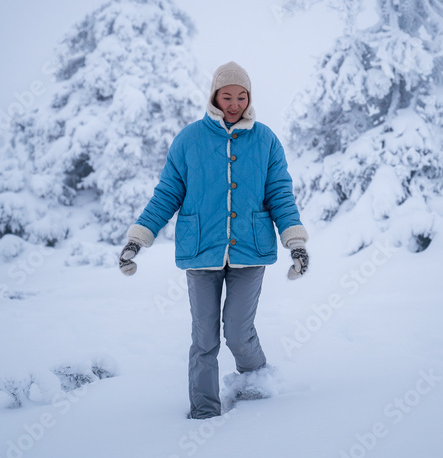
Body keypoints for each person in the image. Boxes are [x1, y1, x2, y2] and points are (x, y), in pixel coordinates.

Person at [118, 61, 309, 419]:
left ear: (249, 97)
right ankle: (204, 412)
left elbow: (280, 194)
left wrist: (295, 241)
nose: (234, 103)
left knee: (238, 330)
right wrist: (138, 239)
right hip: (200, 250)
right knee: (204, 337)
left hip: (250, 249)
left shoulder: (265, 139)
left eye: (241, 96)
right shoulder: (189, 139)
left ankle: (256, 387)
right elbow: (166, 195)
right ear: (214, 97)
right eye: (227, 96)